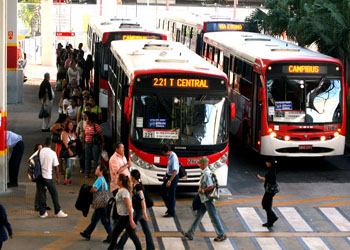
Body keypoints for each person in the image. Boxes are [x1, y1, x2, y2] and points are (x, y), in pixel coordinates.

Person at [182, 157, 227, 242]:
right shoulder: (205, 172)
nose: (198, 165)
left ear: (204, 164)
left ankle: (221, 234)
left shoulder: (207, 173)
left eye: (200, 163)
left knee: (213, 217)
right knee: (198, 216)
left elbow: (211, 186)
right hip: (204, 199)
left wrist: (202, 190)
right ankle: (190, 233)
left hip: (207, 199)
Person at [116, 169, 155, 250]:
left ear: (133, 178)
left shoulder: (138, 187)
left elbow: (142, 200)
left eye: (131, 176)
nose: (130, 177)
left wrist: (144, 213)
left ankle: (120, 245)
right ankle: (151, 247)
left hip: (139, 211)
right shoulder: (135, 185)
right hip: (139, 210)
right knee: (146, 229)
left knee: (130, 228)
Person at [35, 137, 68, 218]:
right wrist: (57, 178)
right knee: (54, 193)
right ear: (50, 144)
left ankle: (42, 213)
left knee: (41, 194)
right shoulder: (52, 153)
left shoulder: (39, 151)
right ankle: (58, 211)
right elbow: (56, 167)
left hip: (39, 176)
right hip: (47, 176)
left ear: (44, 144)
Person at [108, 174, 142, 250]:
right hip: (124, 216)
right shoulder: (122, 190)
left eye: (117, 179)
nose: (116, 180)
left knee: (114, 234)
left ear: (120, 181)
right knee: (132, 235)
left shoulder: (123, 191)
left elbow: (129, 206)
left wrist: (131, 220)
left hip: (125, 217)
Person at [80, 165, 112, 243]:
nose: (96, 169)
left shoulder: (99, 179)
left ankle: (111, 236)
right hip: (103, 203)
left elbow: (95, 189)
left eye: (97, 169)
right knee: (94, 219)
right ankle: (87, 232)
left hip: (101, 204)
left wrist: (87, 189)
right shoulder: (103, 179)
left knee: (104, 221)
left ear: (101, 171)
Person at [257, 157, 279, 228]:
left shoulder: (271, 171)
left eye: (267, 162)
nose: (266, 163)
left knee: (265, 204)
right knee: (267, 205)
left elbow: (268, 179)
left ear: (270, 163)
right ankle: (271, 221)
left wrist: (261, 178)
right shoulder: (272, 169)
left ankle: (273, 218)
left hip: (270, 191)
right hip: (270, 190)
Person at [160, 144, 179, 217]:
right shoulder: (170, 156)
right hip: (169, 176)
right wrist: (165, 175)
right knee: (163, 191)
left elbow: (175, 171)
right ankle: (169, 208)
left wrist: (169, 181)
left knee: (171, 194)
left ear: (166, 151)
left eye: (163, 153)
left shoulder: (173, 158)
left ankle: (171, 212)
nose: (163, 154)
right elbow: (169, 168)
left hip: (173, 178)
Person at [84, 112, 104, 178]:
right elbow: (85, 135)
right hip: (87, 144)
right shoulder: (86, 126)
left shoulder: (96, 126)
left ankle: (96, 173)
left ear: (90, 120)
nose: (86, 120)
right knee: (87, 159)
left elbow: (101, 135)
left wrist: (102, 143)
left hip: (95, 145)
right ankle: (87, 173)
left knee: (95, 159)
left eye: (87, 119)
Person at [50, 114, 69, 183]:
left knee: (61, 157)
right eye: (67, 118)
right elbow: (51, 129)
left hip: (63, 142)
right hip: (59, 143)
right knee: (59, 157)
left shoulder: (65, 124)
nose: (68, 119)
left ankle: (61, 169)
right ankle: (60, 170)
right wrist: (59, 133)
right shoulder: (59, 124)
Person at [32, 144, 51, 212]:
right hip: (39, 176)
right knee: (39, 191)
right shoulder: (35, 157)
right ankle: (37, 205)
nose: (40, 150)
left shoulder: (42, 156)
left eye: (41, 149)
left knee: (44, 190)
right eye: (39, 149)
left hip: (44, 175)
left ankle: (43, 204)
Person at [61, 121, 77, 185]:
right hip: (67, 152)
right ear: (67, 126)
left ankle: (68, 178)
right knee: (68, 166)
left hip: (73, 152)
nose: (71, 126)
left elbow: (76, 141)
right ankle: (66, 179)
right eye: (70, 125)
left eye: (72, 125)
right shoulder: (64, 133)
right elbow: (65, 143)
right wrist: (69, 150)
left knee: (71, 166)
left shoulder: (73, 133)